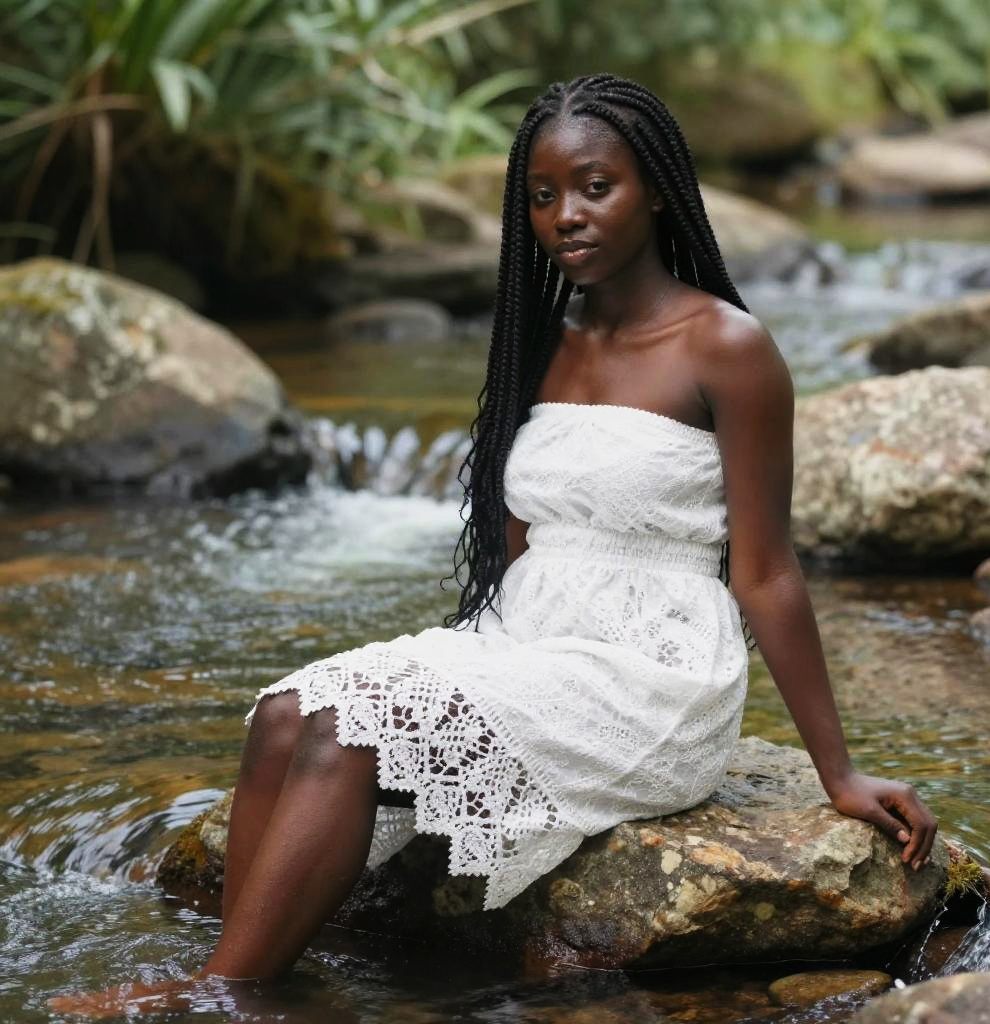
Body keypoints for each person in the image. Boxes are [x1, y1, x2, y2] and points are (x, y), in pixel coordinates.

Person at [49, 72, 937, 1018]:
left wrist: (837, 772)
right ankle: (259, 971)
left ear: (659, 189)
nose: (568, 215)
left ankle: (219, 996)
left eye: (597, 186)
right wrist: (457, 673)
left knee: (348, 738)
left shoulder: (726, 346)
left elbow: (765, 570)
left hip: (652, 673)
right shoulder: (540, 340)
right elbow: (522, 539)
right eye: (544, 196)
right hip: (529, 637)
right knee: (287, 713)